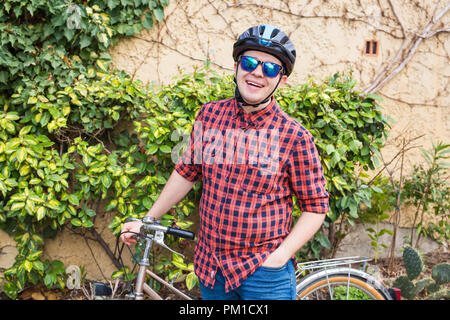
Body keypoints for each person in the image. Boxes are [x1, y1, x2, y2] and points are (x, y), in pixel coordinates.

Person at [120, 25, 329, 300]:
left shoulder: (295, 137)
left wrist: (280, 257)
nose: (257, 73)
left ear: (282, 80)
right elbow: (186, 172)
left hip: (264, 274)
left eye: (270, 69)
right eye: (250, 62)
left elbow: (315, 207)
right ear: (236, 67)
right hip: (211, 269)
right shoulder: (209, 116)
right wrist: (148, 220)